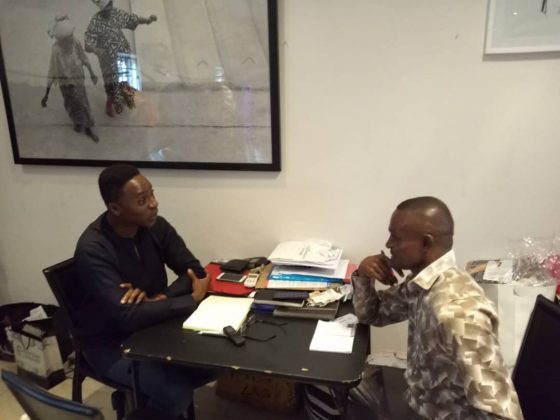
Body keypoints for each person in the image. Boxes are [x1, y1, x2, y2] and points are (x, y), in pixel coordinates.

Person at [352, 196, 523, 420]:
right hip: (417, 399)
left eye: (396, 237)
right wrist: (364, 274)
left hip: (432, 414)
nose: (388, 244)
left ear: (426, 243)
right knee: (347, 384)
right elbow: (372, 314)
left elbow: (501, 413)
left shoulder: (458, 313)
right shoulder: (424, 284)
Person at [74, 163, 214, 419]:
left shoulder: (155, 227)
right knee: (176, 393)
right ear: (115, 208)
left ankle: (141, 403)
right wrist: (192, 299)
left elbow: (193, 270)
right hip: (111, 343)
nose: (153, 204)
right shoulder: (93, 249)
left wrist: (160, 299)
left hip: (155, 326)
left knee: (216, 362)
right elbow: (127, 316)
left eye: (152, 194)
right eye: (142, 200)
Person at [84, 0, 157, 117]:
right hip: (108, 59)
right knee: (111, 84)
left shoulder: (116, 13)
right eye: (108, 6)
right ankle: (110, 105)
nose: (110, 7)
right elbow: (87, 43)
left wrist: (148, 20)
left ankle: (127, 100)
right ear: (102, 8)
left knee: (127, 80)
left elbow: (132, 19)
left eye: (111, 4)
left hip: (123, 52)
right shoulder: (96, 21)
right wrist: (95, 49)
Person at [41, 15, 99, 143]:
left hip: (78, 81)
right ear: (61, 40)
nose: (71, 39)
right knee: (70, 104)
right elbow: (52, 70)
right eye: (68, 38)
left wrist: (92, 73)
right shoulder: (56, 50)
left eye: (72, 35)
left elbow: (84, 58)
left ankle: (88, 128)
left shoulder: (75, 42)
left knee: (83, 103)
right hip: (66, 84)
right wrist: (46, 94)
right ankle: (77, 122)